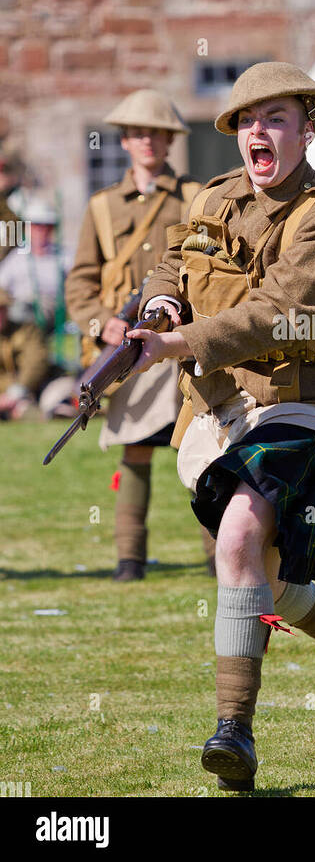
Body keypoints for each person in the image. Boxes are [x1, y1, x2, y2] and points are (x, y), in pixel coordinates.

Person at [126, 62, 315, 791]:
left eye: (274, 117)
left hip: (303, 405)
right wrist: (156, 309)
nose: (256, 133)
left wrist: (182, 342)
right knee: (250, 575)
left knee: (241, 536)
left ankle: (232, 733)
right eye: (246, 121)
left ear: (307, 129)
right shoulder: (211, 197)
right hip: (215, 414)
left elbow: (281, 309)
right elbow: (168, 264)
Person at [65, 89, 216, 581]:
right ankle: (130, 558)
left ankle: (221, 558)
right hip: (130, 347)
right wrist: (99, 321)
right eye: (137, 133)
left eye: (157, 132)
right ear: (125, 142)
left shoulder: (199, 198)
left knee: (205, 443)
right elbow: (81, 283)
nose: (147, 140)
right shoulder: (102, 208)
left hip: (187, 340)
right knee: (134, 445)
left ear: (170, 140)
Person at [0, 195, 70, 332]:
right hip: (20, 316)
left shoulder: (64, 257)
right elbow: (2, 286)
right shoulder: (16, 257)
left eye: (46, 226)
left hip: (53, 313)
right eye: (36, 225)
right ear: (28, 227)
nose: (41, 230)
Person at [0, 288, 50, 420]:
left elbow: (36, 362)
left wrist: (17, 391)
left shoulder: (27, 330)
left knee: (54, 403)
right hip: (5, 396)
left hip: (34, 388)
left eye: (2, 309)